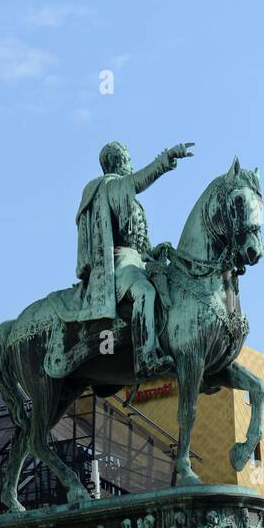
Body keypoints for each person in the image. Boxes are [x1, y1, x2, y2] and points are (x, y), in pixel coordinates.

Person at [69, 140, 195, 377]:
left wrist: (155, 251)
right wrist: (165, 159)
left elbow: (139, 243)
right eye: (127, 160)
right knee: (145, 292)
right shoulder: (109, 186)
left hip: (138, 261)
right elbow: (139, 180)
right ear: (117, 163)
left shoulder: (123, 197)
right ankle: (146, 356)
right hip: (118, 263)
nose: (131, 164)